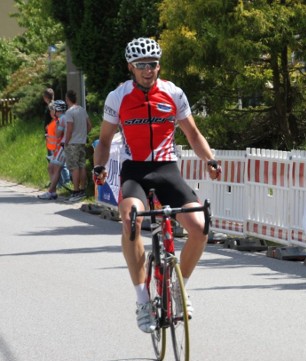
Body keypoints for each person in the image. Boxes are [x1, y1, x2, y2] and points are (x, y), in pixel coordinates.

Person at [93, 37, 222, 334]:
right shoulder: (118, 97)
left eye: (152, 64)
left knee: (200, 226)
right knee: (132, 221)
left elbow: (192, 134)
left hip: (166, 169)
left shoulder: (173, 93)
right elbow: (103, 140)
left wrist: (210, 159)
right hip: (134, 171)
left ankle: (180, 288)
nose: (148, 70)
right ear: (131, 67)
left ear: (158, 65)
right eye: (141, 65)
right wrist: (99, 168)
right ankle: (141, 299)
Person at [64, 90, 92, 202]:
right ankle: (82, 189)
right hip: (81, 142)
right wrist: (84, 134)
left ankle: (75, 191)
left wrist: (66, 141)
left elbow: (69, 128)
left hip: (72, 143)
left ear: (67, 99)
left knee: (74, 167)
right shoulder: (82, 110)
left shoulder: (69, 112)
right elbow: (89, 125)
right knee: (82, 165)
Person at [38, 101, 68, 200]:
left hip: (62, 147)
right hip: (58, 148)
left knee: (56, 168)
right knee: (51, 168)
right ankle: (53, 191)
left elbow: (58, 134)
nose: (51, 112)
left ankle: (51, 192)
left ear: (57, 110)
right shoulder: (59, 119)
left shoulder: (61, 119)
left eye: (52, 110)